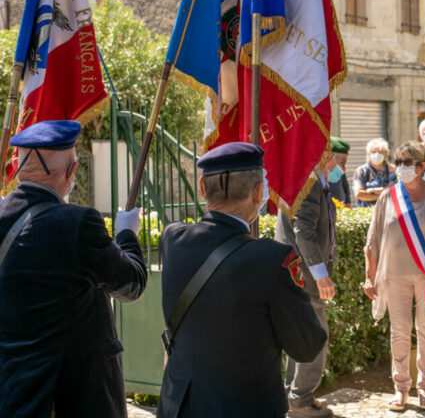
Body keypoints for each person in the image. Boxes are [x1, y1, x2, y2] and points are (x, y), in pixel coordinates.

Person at [157, 142, 327, 418]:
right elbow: (307, 346)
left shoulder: (172, 240)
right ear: (258, 193)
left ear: (202, 187)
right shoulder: (275, 259)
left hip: (180, 406)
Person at [0, 120, 147, 418]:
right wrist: (127, 233)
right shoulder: (77, 223)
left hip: (13, 394)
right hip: (75, 397)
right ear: (71, 171)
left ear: (16, 166)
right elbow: (131, 284)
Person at [364, 141, 425, 412]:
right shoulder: (388, 197)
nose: (401, 166)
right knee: (400, 331)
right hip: (394, 276)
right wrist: (370, 276)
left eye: (407, 162)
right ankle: (401, 387)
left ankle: (424, 387)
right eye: (399, 161)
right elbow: (374, 239)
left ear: (422, 166)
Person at [275, 148, 338, 418]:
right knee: (315, 336)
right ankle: (300, 399)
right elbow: (304, 232)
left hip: (294, 275)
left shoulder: (303, 180)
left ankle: (294, 395)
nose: (335, 161)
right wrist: (321, 274)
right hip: (305, 277)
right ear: (323, 154)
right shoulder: (309, 183)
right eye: (333, 154)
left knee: (300, 336)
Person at [353, 138, 397, 207]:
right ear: (368, 154)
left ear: (385, 154)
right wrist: (383, 192)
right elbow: (358, 194)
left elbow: (395, 193)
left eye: (380, 152)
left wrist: (371, 191)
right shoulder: (362, 171)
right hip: (366, 213)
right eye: (373, 152)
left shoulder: (392, 171)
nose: (377, 155)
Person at [328, 136, 352, 206]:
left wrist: (348, 205)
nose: (344, 167)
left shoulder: (340, 172)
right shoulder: (317, 176)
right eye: (342, 162)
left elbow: (346, 189)